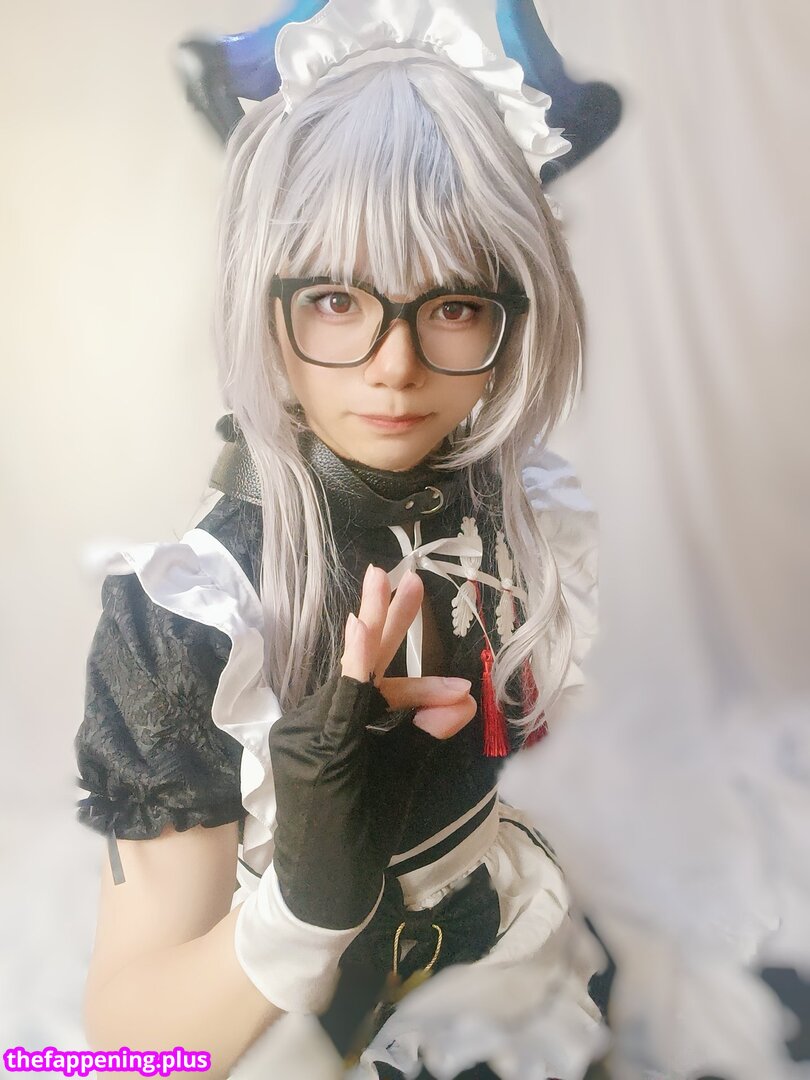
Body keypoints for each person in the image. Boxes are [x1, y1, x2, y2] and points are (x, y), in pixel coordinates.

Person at [74, 4, 603, 1077]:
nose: (395, 366)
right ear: (265, 307)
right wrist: (308, 896)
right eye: (333, 298)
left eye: (452, 304)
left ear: (510, 315)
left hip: (501, 957)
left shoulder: (508, 506)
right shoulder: (185, 619)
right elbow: (125, 1050)